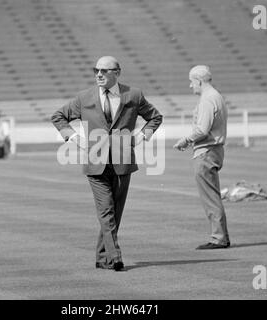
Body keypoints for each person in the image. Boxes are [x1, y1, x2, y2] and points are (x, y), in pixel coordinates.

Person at [51, 56, 163, 271]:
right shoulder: (84, 97)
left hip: (123, 161)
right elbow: (59, 117)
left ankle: (102, 258)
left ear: (117, 73)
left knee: (116, 211)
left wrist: (140, 138)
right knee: (106, 211)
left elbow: (155, 118)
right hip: (95, 163)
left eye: (104, 70)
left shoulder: (134, 95)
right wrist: (76, 139)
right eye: (96, 70)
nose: (99, 74)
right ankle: (115, 256)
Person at [173, 65, 230, 249]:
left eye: (191, 82)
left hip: (206, 152)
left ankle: (218, 238)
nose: (191, 86)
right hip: (214, 151)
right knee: (213, 195)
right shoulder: (217, 96)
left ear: (198, 80)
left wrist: (185, 140)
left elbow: (202, 130)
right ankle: (221, 236)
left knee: (210, 198)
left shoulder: (207, 99)